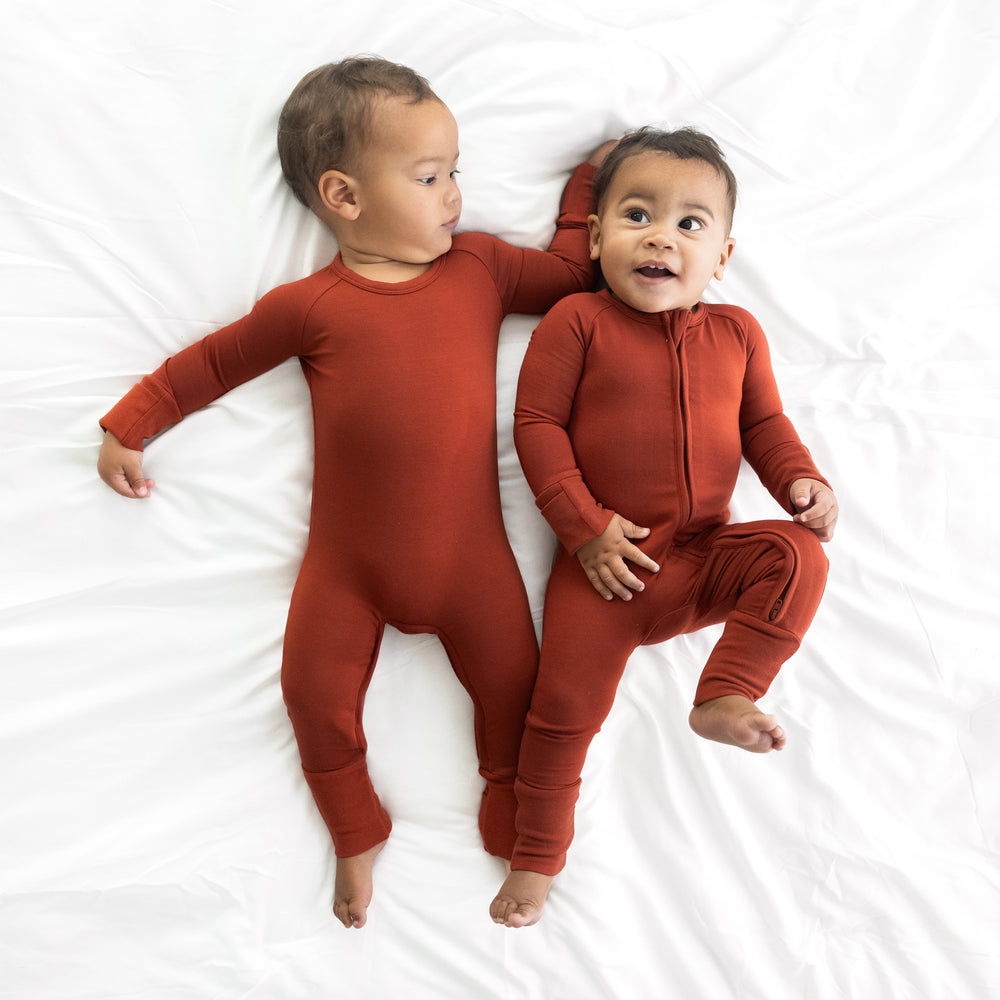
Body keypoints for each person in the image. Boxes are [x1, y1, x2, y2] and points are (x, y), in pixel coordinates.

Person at [97, 55, 613, 930]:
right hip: (345, 570)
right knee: (312, 696)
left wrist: (589, 188)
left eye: (456, 171)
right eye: (428, 176)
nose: (453, 192)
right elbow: (216, 362)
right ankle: (354, 829)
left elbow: (572, 276)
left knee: (517, 692)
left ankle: (507, 803)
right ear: (343, 195)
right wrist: (132, 421)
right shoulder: (310, 306)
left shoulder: (481, 268)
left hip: (469, 563)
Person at [490, 126, 838, 928]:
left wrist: (799, 480)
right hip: (605, 572)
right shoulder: (577, 320)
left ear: (721, 255)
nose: (660, 236)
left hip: (706, 555)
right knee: (559, 719)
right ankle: (537, 859)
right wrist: (583, 527)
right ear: (601, 234)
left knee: (800, 555)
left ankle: (725, 693)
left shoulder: (738, 332)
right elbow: (536, 426)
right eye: (638, 214)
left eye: (690, 224)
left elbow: (766, 424)